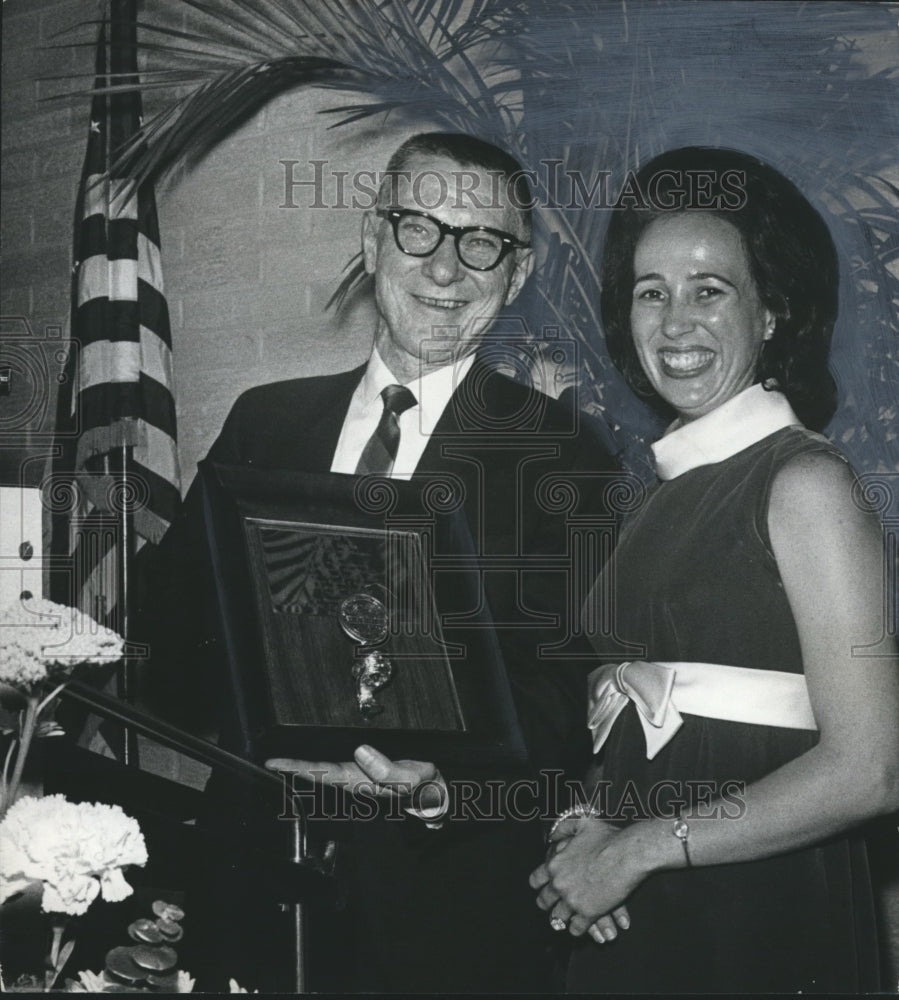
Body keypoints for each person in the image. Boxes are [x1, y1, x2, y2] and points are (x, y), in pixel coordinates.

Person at [139, 131, 619, 992]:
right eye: (418, 228)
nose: (445, 269)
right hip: (249, 876)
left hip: (441, 908)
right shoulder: (265, 424)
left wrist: (441, 788)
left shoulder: (564, 458)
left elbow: (561, 703)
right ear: (371, 241)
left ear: (515, 274)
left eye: (481, 242)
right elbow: (171, 645)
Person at [529, 146, 899, 993]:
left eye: (709, 290)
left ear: (769, 313)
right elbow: (637, 723)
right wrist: (587, 831)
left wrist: (633, 849)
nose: (673, 322)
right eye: (649, 292)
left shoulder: (803, 481)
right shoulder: (653, 496)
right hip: (640, 900)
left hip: (754, 912)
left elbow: (871, 767)